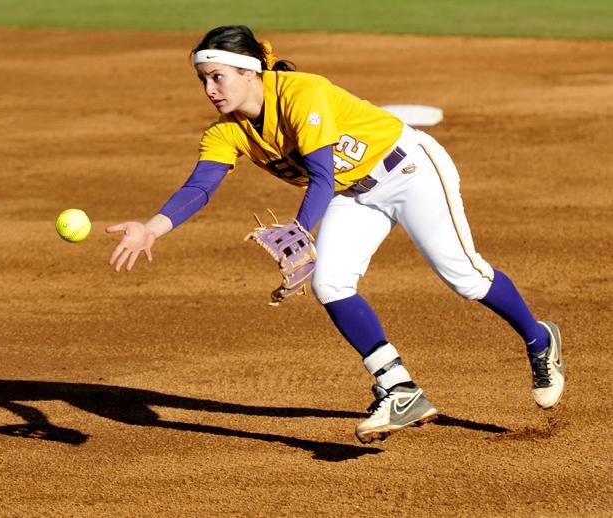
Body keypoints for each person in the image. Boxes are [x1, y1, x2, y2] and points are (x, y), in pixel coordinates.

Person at [106, 25, 565, 444]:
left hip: (408, 168)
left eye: (218, 76)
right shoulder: (227, 132)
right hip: (353, 192)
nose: (210, 89)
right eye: (203, 79)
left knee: (464, 276)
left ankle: (538, 338)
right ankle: (400, 387)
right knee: (330, 282)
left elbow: (321, 175)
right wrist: (152, 227)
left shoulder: (301, 92)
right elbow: (201, 185)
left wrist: (301, 230)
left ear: (250, 72)